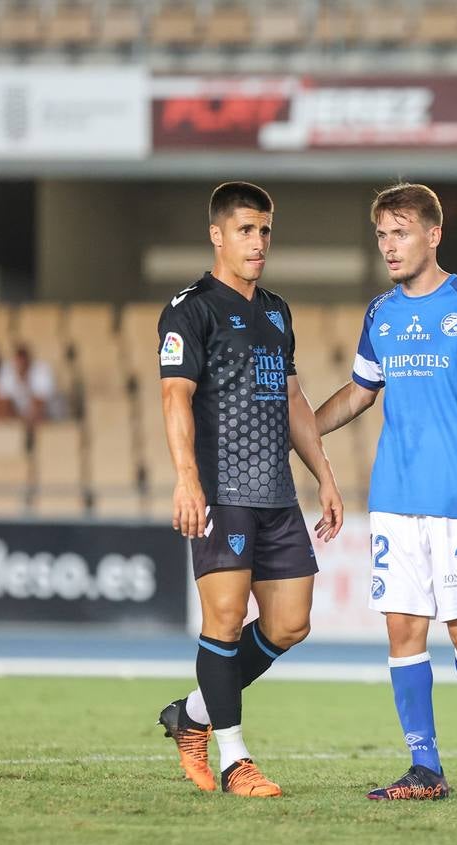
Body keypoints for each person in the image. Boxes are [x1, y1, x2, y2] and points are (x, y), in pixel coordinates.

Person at [314, 183, 457, 801]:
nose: (389, 246)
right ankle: (425, 768)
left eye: (401, 232)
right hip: (395, 501)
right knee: (403, 634)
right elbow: (359, 392)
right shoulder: (380, 313)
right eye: (382, 234)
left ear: (433, 235)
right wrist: (301, 431)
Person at [156, 182, 344, 798]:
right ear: (217, 235)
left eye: (264, 230)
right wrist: (187, 480)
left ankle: (193, 713)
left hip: (277, 495)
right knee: (227, 620)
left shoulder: (277, 310)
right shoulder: (191, 309)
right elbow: (174, 397)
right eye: (245, 230)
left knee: (291, 624)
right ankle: (235, 759)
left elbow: (293, 399)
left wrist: (325, 474)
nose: (258, 241)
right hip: (222, 492)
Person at [0, 343, 63, 423]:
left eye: (23, 362)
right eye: (18, 362)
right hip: (20, 415)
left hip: (49, 413)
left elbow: (40, 402)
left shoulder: (42, 370)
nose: (21, 365)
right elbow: (2, 402)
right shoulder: (7, 370)